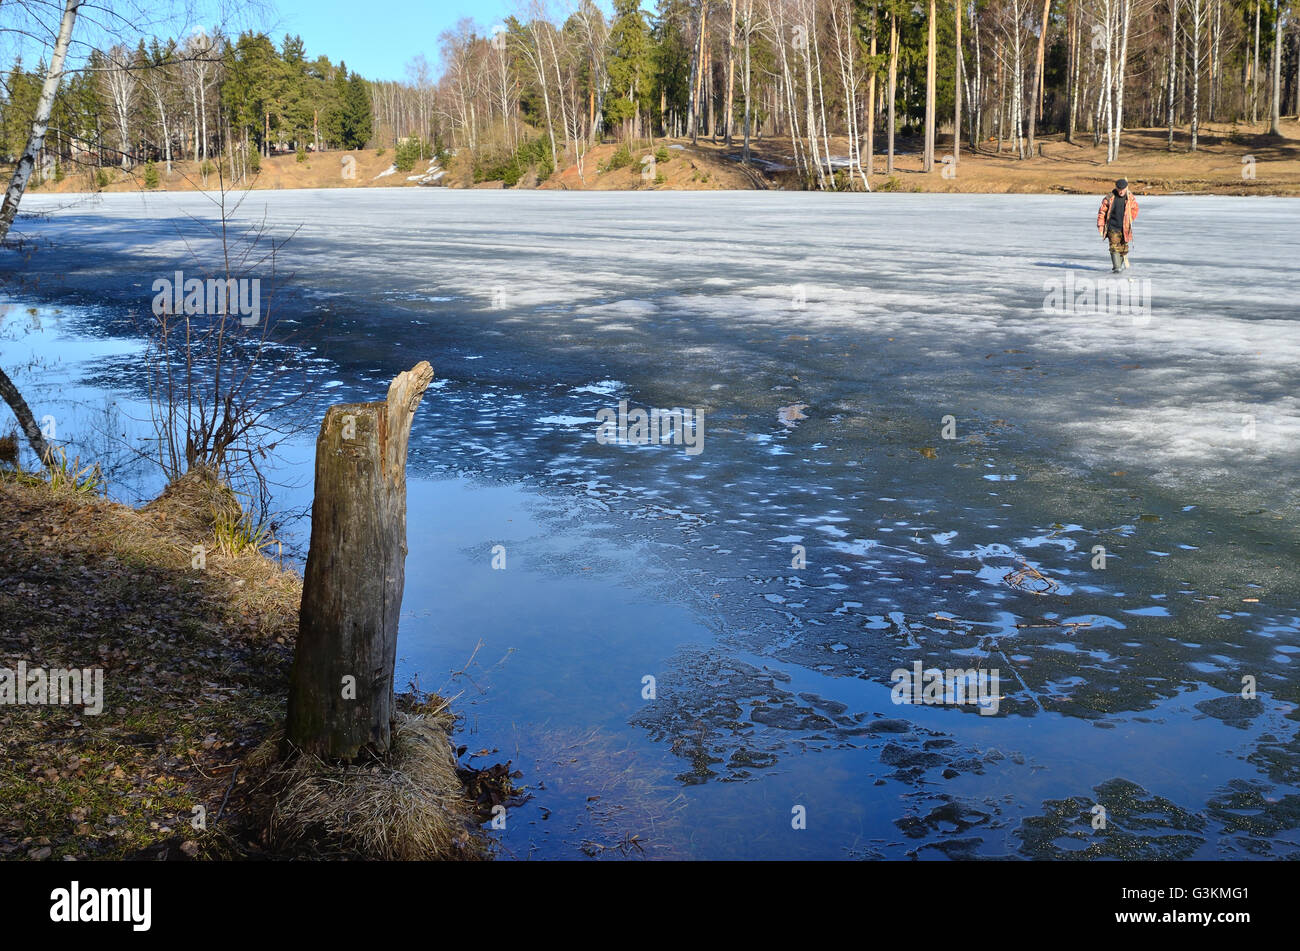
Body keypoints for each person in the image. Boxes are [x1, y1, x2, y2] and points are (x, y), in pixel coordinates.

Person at [1097, 178, 1138, 273]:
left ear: (1126, 188)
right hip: (1112, 227)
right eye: (1119, 189)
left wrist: (1130, 218)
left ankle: (1119, 265)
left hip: (1125, 228)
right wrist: (1101, 225)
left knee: (1123, 248)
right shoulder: (1109, 198)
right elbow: (1102, 212)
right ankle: (1117, 267)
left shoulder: (1130, 198)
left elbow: (1135, 209)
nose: (1121, 191)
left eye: (1123, 189)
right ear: (1116, 188)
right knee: (1114, 246)